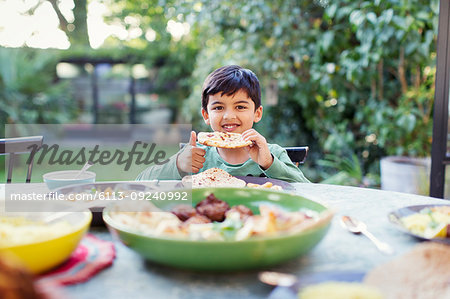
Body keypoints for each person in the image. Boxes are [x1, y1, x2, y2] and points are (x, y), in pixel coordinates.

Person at [136, 65, 309, 183]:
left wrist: (269, 163)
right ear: (206, 115)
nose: (228, 116)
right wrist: (178, 165)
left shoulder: (272, 154)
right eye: (218, 107)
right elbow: (139, 183)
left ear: (257, 113)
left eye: (240, 106)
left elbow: (308, 191)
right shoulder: (196, 157)